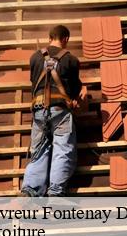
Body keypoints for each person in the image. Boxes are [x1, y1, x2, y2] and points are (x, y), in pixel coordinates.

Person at [21, 25, 82, 197]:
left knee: (39, 150)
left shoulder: (35, 57)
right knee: (62, 150)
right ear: (66, 39)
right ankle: (55, 192)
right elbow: (75, 89)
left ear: (49, 38)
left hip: (39, 111)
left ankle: (31, 190)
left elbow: (34, 82)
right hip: (60, 111)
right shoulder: (71, 60)